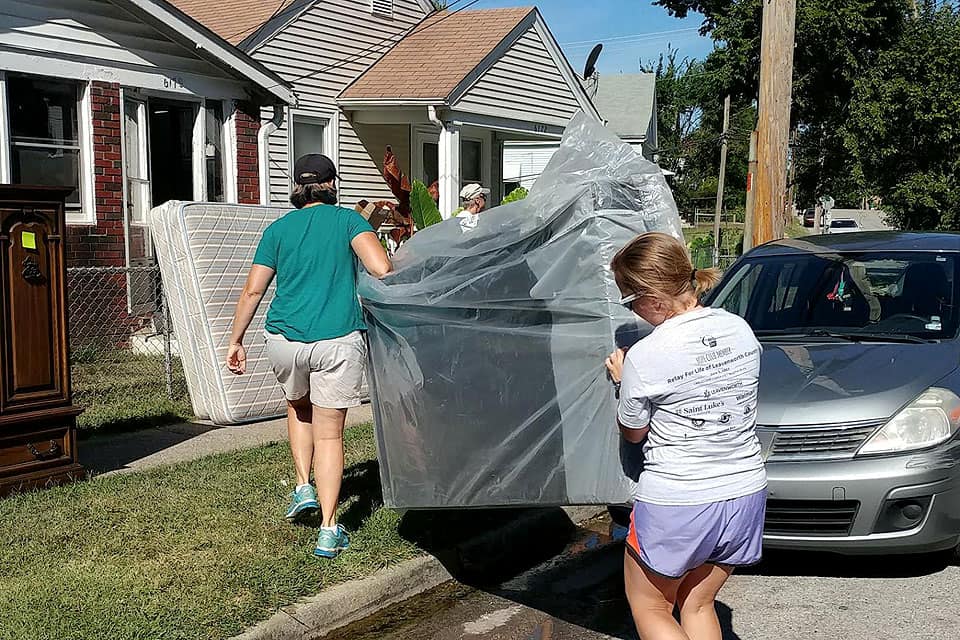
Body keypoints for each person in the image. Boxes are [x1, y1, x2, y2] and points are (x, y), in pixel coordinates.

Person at [226, 153, 392, 560]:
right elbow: (382, 268)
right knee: (330, 434)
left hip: (284, 340)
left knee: (298, 407)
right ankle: (329, 529)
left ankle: (303, 486)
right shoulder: (349, 221)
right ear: (332, 184)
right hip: (337, 340)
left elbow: (253, 290)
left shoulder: (278, 229)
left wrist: (236, 340)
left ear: (297, 188)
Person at [603, 232, 766, 640]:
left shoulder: (646, 354)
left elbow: (634, 432)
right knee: (698, 602)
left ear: (655, 300)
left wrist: (624, 383)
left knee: (652, 607)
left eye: (630, 300)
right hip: (745, 492)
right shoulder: (740, 329)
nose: (633, 311)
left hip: (679, 498)